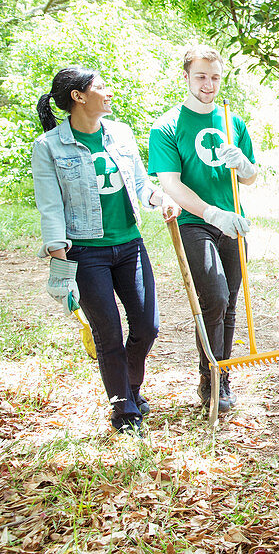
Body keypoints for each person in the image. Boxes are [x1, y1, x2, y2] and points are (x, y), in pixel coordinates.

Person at [31, 68, 180, 436]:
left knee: (147, 326)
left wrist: (161, 198)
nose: (108, 92)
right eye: (100, 87)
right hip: (85, 252)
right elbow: (50, 206)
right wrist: (58, 257)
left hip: (129, 245)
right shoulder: (49, 146)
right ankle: (123, 410)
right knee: (108, 334)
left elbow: (141, 183)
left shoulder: (122, 133)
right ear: (79, 97)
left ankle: (129, 388)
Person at [148, 44, 258, 413]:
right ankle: (208, 377)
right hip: (196, 222)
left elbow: (251, 177)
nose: (208, 85)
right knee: (215, 298)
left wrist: (242, 164)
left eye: (214, 77)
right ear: (186, 77)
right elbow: (171, 184)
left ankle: (223, 376)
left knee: (229, 306)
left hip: (233, 222)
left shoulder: (232, 121)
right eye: (200, 76)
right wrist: (213, 214)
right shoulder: (166, 126)